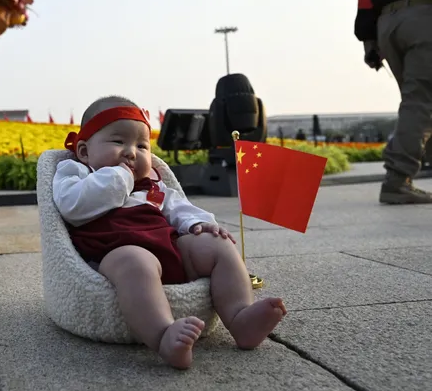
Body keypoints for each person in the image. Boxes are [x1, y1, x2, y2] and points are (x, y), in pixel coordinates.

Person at [53, 96, 286, 369]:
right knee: (135, 263)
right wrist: (120, 176)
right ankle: (164, 335)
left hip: (169, 248)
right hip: (115, 252)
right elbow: (73, 206)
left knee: (217, 245)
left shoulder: (154, 184)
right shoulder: (75, 172)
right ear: (83, 151)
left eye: (141, 146)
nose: (131, 152)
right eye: (118, 142)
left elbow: (180, 208)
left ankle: (239, 317)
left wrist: (200, 224)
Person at [355, 0, 432, 204]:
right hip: (424, 18)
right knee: (420, 103)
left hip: (388, 26)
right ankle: (397, 180)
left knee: (416, 103)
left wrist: (369, 40)